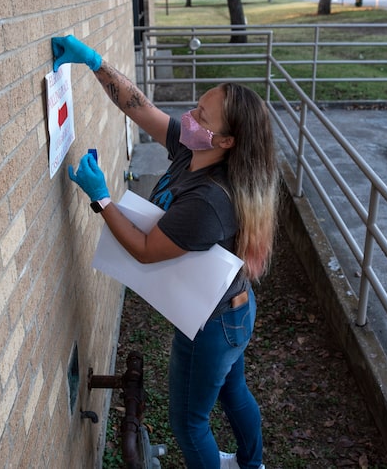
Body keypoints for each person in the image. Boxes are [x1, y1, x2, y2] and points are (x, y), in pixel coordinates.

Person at [53, 35, 277, 469]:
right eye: (196, 106)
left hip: (212, 324)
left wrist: (101, 199)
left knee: (189, 422)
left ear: (226, 141)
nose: (188, 116)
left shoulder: (210, 200)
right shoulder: (194, 149)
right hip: (232, 312)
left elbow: (143, 249)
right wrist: (95, 61)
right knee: (234, 393)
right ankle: (253, 465)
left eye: (201, 115)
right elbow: (138, 106)